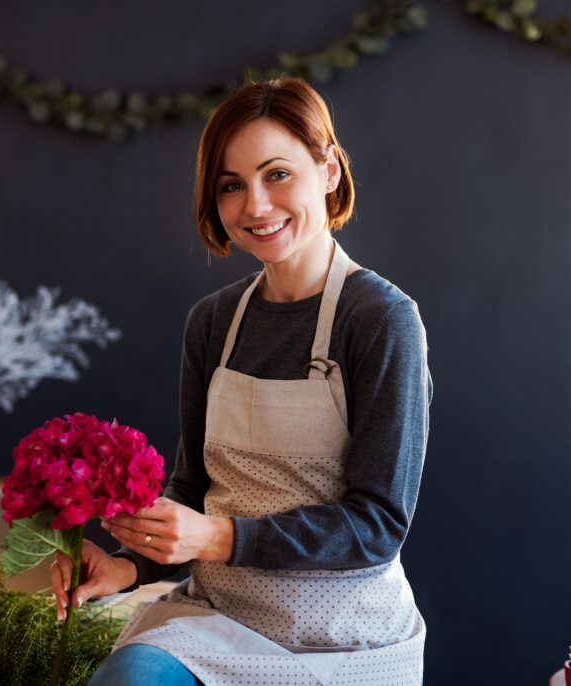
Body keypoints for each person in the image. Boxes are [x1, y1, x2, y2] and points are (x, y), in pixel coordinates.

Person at [51, 77, 432, 686]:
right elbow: (192, 485)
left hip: (342, 638)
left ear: (328, 169)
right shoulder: (213, 323)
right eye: (232, 185)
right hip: (218, 620)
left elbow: (377, 524)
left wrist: (217, 537)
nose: (255, 205)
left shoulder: (382, 319)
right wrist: (126, 567)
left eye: (277, 174)